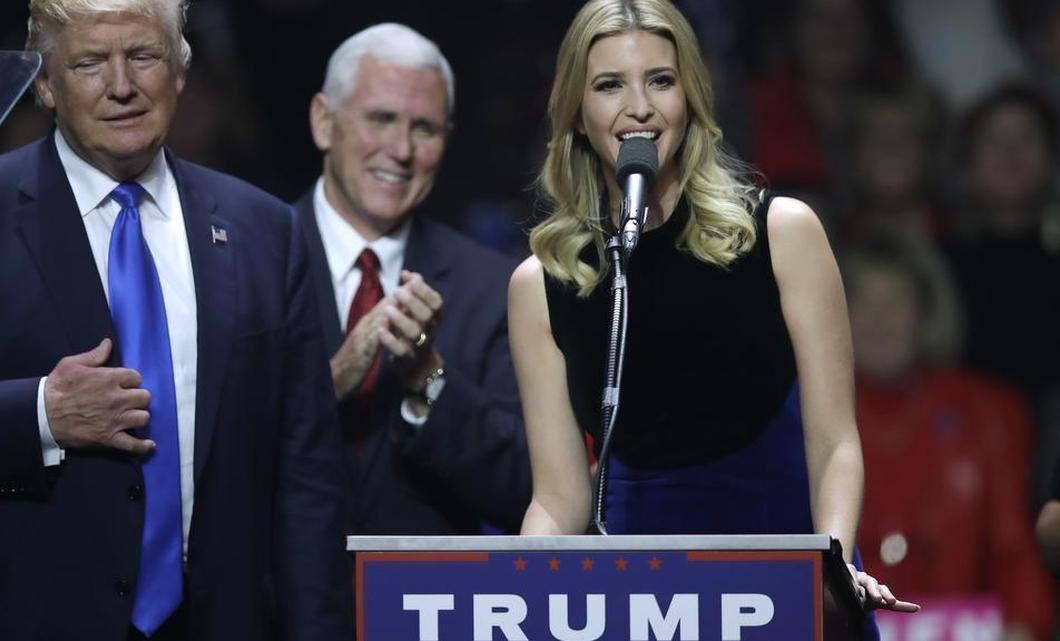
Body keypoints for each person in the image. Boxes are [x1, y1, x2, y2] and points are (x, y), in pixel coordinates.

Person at [0, 2, 349, 640]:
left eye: (143, 56)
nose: (121, 86)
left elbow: (306, 470)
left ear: (180, 70)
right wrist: (39, 415)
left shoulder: (265, 231)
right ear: (43, 83)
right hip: (24, 618)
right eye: (90, 63)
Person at [508, 0, 918, 631]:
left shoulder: (781, 234)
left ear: (692, 99)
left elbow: (835, 442)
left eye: (661, 81)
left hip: (785, 578)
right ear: (576, 114)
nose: (638, 107)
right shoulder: (545, 283)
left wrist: (829, 563)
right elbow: (559, 498)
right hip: (644, 598)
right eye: (610, 85)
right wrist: (509, 591)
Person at [293, 23, 530, 535]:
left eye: (424, 128)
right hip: (273, 606)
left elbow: (526, 491)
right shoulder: (251, 258)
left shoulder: (493, 287)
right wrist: (331, 381)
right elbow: (209, 458)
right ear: (323, 122)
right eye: (380, 119)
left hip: (427, 605)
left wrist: (428, 379)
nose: (401, 149)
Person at [846, 234, 1055, 640]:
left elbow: (1015, 553)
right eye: (861, 302)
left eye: (896, 301)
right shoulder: (799, 417)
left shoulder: (991, 413)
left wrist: (1023, 627)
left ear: (926, 314)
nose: (878, 318)